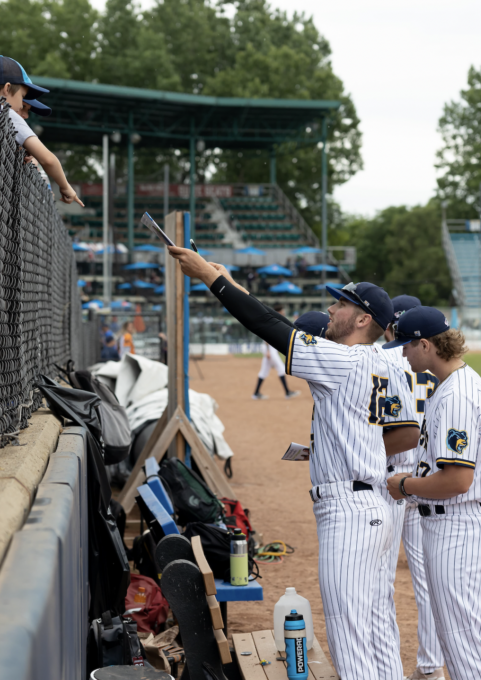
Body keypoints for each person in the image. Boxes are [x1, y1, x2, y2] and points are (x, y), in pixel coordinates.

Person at [167, 245, 417, 680]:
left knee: (350, 635)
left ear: (362, 320)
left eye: (341, 304)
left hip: (350, 511)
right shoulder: (384, 360)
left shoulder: (342, 360)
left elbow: (268, 326)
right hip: (375, 505)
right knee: (377, 628)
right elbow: (280, 325)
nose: (331, 308)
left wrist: (211, 278)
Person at [385, 306, 481, 680]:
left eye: (407, 346)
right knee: (460, 639)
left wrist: (404, 485)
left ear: (427, 345)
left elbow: (457, 481)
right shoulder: (459, 383)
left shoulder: (456, 395)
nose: (404, 354)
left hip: (459, 525)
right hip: (457, 525)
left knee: (466, 641)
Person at [381, 295, 446, 680]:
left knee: (382, 583)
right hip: (423, 478)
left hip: (390, 480)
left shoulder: (384, 357)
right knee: (427, 584)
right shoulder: (434, 362)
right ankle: (430, 668)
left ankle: (385, 668)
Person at [0, 55, 84, 207]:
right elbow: (48, 160)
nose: (20, 107)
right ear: (6, 89)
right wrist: (66, 187)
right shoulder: (6, 113)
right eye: (22, 97)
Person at [253, 305, 300, 400]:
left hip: (271, 348)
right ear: (278, 312)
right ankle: (287, 392)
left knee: (264, 371)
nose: (283, 313)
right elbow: (266, 336)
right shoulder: (272, 319)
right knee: (281, 369)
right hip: (269, 348)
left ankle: (256, 393)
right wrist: (268, 351)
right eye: (282, 312)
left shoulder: (275, 319)